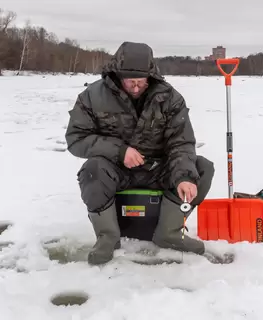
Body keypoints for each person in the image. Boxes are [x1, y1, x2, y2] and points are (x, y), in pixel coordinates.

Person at [64, 41, 215, 265]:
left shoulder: (170, 98)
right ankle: (108, 237)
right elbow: (76, 138)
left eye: (140, 82)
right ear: (117, 75)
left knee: (202, 168)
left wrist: (184, 176)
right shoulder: (92, 96)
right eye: (130, 82)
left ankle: (170, 233)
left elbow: (180, 143)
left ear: (150, 76)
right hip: (116, 170)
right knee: (92, 170)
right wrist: (119, 151)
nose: (135, 87)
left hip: (157, 169)